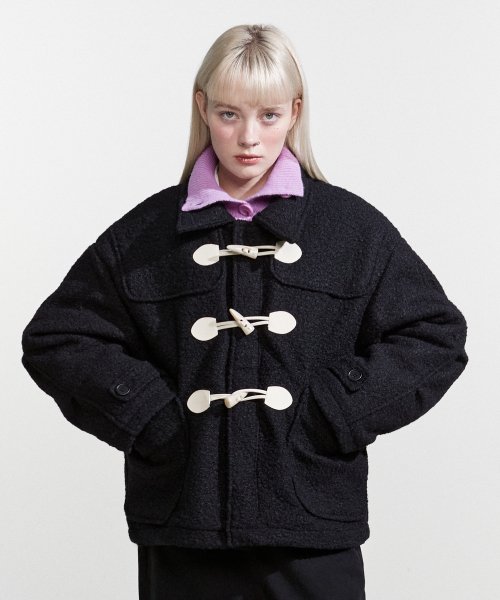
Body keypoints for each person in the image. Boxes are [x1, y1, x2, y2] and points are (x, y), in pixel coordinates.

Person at [20, 23, 468, 600]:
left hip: (311, 524)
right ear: (202, 108)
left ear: (295, 111)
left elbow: (435, 334)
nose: (249, 137)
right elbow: (59, 337)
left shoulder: (350, 229)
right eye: (229, 114)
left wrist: (336, 409)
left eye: (269, 115)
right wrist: (153, 418)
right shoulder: (150, 233)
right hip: (185, 522)